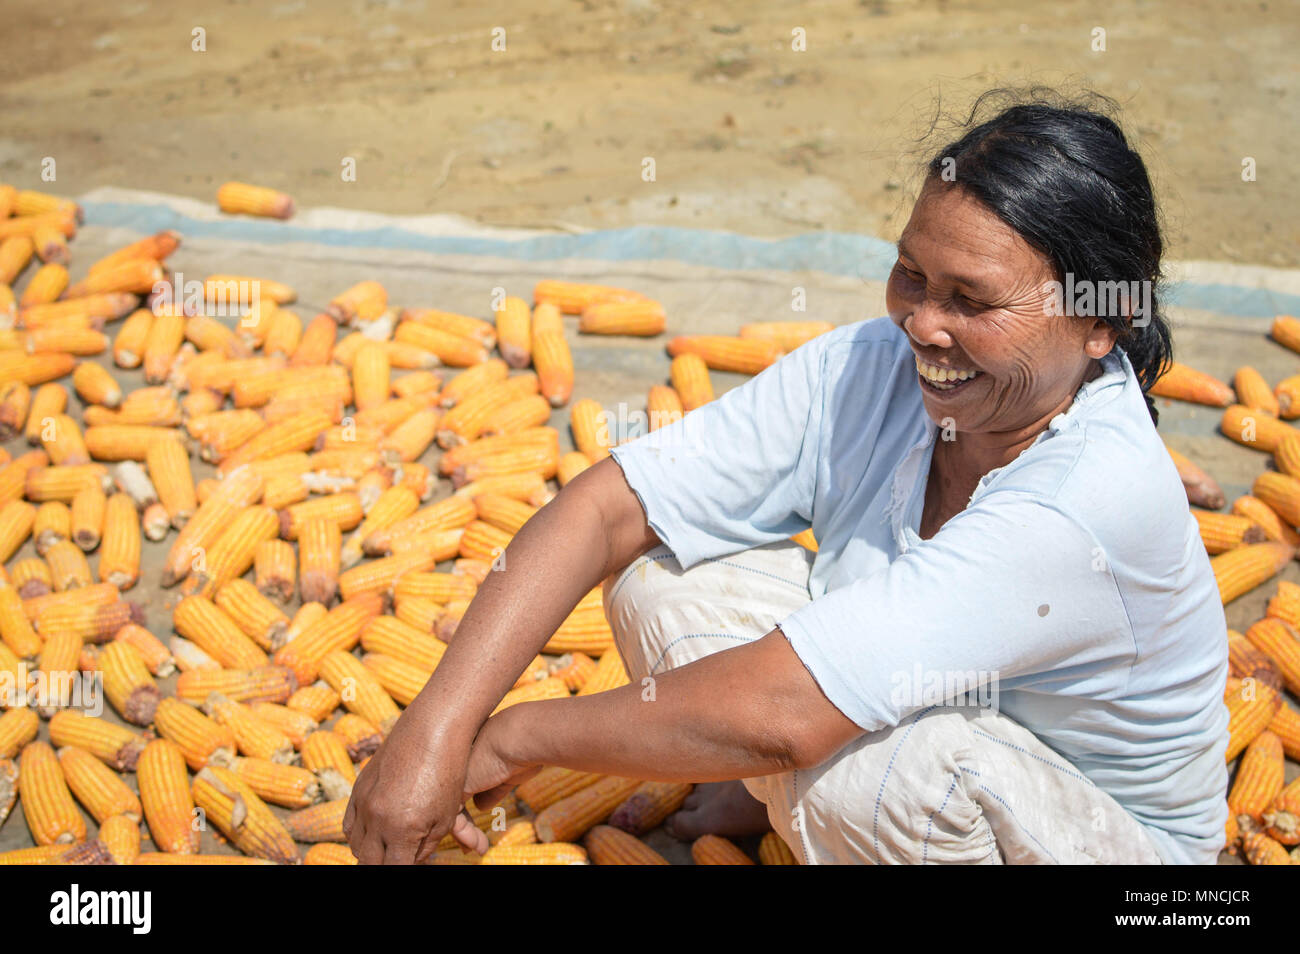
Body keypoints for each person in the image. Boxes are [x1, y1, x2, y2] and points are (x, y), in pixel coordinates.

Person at [343, 90, 1230, 865]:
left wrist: (505, 742)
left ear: (1100, 320)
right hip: (942, 724)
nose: (923, 326)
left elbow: (788, 717)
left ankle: (810, 808)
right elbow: (610, 510)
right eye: (911, 276)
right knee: (662, 580)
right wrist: (435, 726)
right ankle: (784, 803)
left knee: (865, 778)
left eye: (972, 300)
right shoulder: (874, 367)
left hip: (1119, 852)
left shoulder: (1084, 502)